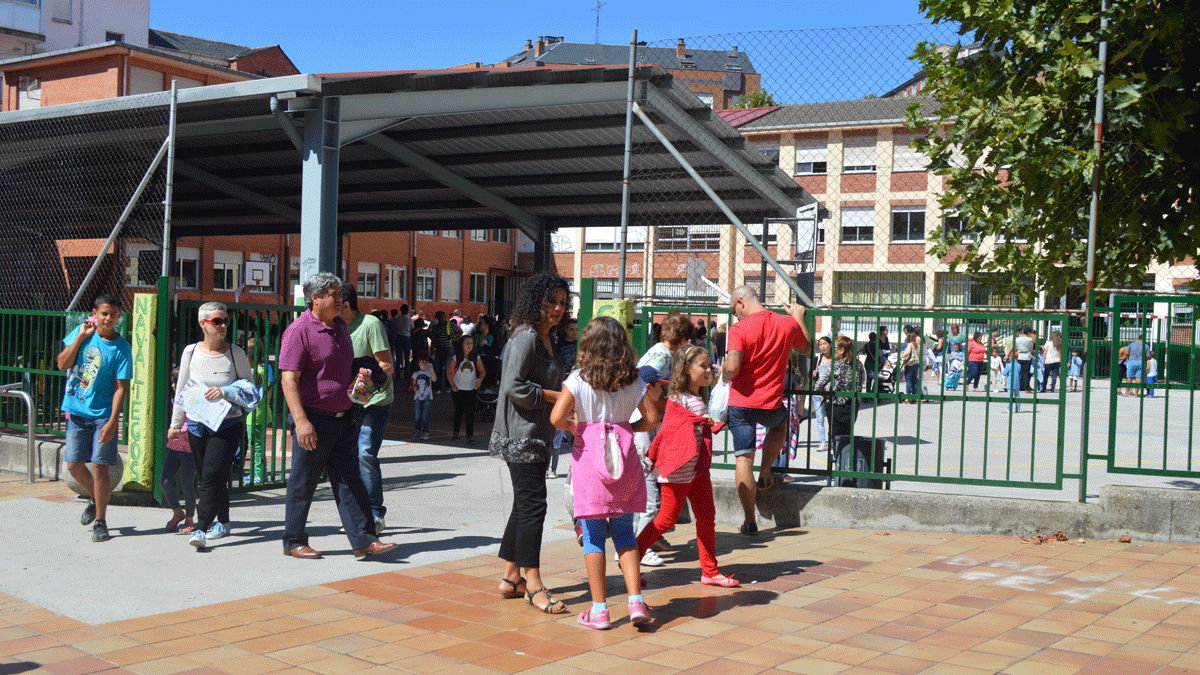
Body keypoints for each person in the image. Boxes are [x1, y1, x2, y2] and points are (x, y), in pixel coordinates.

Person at [550, 316, 661, 629]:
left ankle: (599, 609)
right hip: (624, 462)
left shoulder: (578, 380)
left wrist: (578, 428)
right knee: (625, 531)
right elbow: (652, 418)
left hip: (589, 463)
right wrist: (626, 428)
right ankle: (636, 601)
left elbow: (556, 417)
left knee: (594, 536)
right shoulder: (635, 380)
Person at [279, 273, 397, 561]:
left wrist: (363, 378)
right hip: (314, 420)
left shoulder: (341, 326)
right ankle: (294, 541)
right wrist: (301, 421)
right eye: (332, 294)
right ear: (315, 298)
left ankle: (364, 540)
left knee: (350, 480)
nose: (339, 298)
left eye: (339, 293)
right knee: (303, 482)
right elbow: (288, 379)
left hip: (345, 417)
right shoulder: (298, 331)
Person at [490, 271, 570, 614]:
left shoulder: (544, 336)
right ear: (534, 302)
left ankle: (511, 577)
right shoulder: (526, 337)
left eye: (562, 304)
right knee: (534, 506)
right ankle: (533, 582)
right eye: (550, 302)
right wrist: (558, 397)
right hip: (522, 437)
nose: (556, 309)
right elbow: (514, 387)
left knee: (524, 506)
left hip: (535, 435)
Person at [637, 344, 739, 589]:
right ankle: (631, 559)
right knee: (665, 520)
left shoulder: (698, 398)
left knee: (706, 517)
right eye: (702, 366)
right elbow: (669, 430)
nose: (707, 370)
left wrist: (705, 418)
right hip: (679, 470)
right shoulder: (677, 399)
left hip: (697, 469)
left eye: (708, 365)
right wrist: (699, 420)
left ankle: (710, 572)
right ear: (686, 369)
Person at [721, 286, 809, 535]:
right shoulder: (786, 324)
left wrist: (723, 372)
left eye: (734, 311)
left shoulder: (739, 328)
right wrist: (798, 318)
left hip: (740, 403)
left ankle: (749, 520)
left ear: (741, 303)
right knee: (780, 424)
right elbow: (806, 348)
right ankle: (767, 472)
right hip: (770, 402)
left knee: (743, 458)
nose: (736, 316)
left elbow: (733, 366)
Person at [169, 302, 258, 550]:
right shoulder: (190, 352)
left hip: (227, 424)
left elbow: (251, 389)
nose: (223, 326)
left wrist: (226, 391)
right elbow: (183, 390)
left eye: (225, 321)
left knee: (209, 476)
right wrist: (176, 423)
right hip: (198, 424)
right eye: (217, 321)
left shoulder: (235, 353)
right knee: (212, 477)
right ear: (203, 324)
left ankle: (201, 527)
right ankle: (225, 523)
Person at [59, 294, 132, 543]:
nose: (108, 318)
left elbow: (121, 387)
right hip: (77, 412)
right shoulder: (82, 334)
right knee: (74, 466)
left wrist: (113, 421)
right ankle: (97, 498)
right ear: (95, 313)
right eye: (104, 313)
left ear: (119, 317)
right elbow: (61, 363)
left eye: (113, 314)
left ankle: (101, 521)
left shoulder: (122, 347)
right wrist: (80, 337)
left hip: (102, 416)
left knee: (100, 466)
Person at [632, 313, 693, 561]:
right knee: (649, 492)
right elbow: (644, 379)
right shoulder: (661, 356)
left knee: (646, 486)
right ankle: (639, 548)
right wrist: (656, 408)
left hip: (647, 426)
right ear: (683, 338)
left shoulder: (662, 352)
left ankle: (647, 538)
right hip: (645, 428)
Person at [340, 283, 395, 534]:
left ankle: (374, 513)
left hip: (375, 400)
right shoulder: (334, 326)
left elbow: (387, 365)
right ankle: (357, 514)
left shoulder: (370, 324)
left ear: (346, 305)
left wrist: (369, 377)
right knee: (347, 458)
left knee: (365, 454)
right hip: (349, 403)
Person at [814, 335, 866, 448]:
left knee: (836, 439)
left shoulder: (836, 365)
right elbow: (860, 384)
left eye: (834, 348)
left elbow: (818, 385)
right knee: (847, 437)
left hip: (836, 405)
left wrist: (827, 391)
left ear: (842, 350)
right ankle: (845, 462)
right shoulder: (858, 364)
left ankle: (837, 460)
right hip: (852, 405)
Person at [162, 368, 196, 534]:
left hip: (189, 450)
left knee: (187, 485)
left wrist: (179, 430)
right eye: (173, 382)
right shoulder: (174, 400)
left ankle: (190, 518)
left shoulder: (194, 400)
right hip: (174, 447)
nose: (174, 385)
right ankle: (177, 512)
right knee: (165, 482)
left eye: (176, 381)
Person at [550, 318, 578, 478]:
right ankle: (552, 467)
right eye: (571, 329)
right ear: (566, 330)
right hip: (564, 387)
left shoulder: (582, 344)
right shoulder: (559, 345)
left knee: (578, 426)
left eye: (576, 329)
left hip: (579, 390)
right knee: (559, 428)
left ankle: (575, 467)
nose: (574, 332)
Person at [449, 334, 485, 443]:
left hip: (471, 389)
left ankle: (470, 435)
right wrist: (453, 385)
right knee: (458, 411)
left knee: (469, 413)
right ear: (462, 345)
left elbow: (482, 371)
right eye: (467, 343)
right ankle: (456, 432)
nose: (470, 345)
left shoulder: (476, 358)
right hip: (458, 390)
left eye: (471, 343)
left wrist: (480, 380)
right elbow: (449, 372)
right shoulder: (455, 358)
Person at [810, 336, 832, 452]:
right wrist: (813, 374)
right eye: (820, 344)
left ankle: (832, 440)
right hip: (817, 394)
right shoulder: (817, 359)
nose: (822, 346)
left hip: (831, 394)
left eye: (824, 344)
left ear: (830, 344)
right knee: (820, 419)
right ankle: (823, 442)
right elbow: (810, 376)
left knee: (832, 419)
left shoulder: (836, 359)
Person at [429, 311, 454, 393]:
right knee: (437, 369)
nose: (440, 318)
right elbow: (433, 338)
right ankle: (438, 387)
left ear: (445, 317)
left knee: (447, 369)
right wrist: (432, 347)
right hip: (439, 350)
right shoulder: (436, 327)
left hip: (449, 350)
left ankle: (448, 386)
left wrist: (453, 336)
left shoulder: (451, 325)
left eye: (442, 317)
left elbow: (460, 332)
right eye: (439, 317)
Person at [411, 357, 435, 439]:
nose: (423, 364)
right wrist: (415, 388)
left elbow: (434, 379)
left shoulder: (429, 372)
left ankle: (425, 431)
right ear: (418, 363)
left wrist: (431, 369)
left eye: (425, 362)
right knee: (417, 415)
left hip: (428, 396)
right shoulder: (416, 373)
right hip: (417, 396)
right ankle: (417, 429)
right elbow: (413, 383)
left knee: (425, 415)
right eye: (421, 362)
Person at [899, 332, 922, 403]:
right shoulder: (917, 345)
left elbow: (908, 352)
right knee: (914, 380)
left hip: (910, 364)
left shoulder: (910, 344)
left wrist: (900, 356)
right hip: (916, 363)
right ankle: (914, 396)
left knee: (908, 380)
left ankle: (908, 397)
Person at [1013, 327, 1036, 393]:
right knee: (1025, 373)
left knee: (1018, 372)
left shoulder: (1017, 339)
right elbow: (1030, 348)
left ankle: (1016, 386)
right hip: (1027, 356)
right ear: (1028, 333)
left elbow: (1016, 347)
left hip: (1019, 356)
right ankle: (1026, 388)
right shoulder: (1029, 340)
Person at [393, 304, 413, 376]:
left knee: (398, 356)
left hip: (399, 337)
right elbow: (412, 328)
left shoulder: (397, 319)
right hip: (407, 337)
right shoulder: (409, 319)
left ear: (400, 310)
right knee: (407, 357)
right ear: (407, 310)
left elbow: (394, 328)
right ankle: (406, 373)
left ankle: (398, 373)